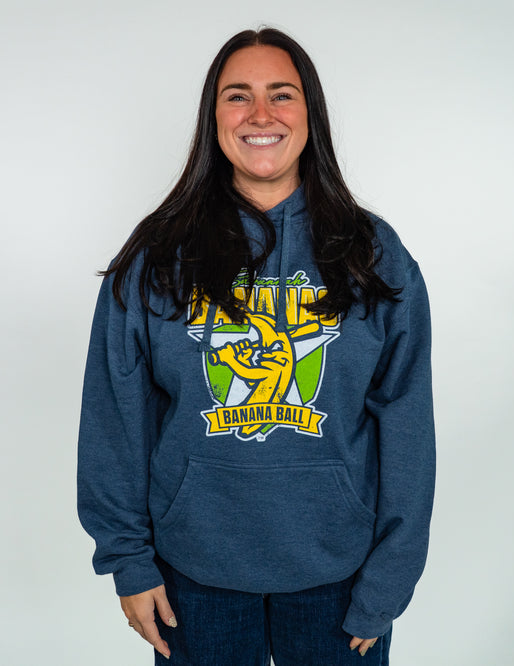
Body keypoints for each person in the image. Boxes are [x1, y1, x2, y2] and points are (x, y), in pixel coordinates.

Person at [77, 27, 435, 666]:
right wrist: (128, 560)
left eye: (282, 95)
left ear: (310, 113)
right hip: (191, 577)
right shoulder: (157, 254)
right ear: (213, 117)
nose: (261, 114)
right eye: (238, 96)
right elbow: (115, 418)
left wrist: (391, 578)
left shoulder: (372, 253)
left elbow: (407, 424)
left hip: (342, 577)